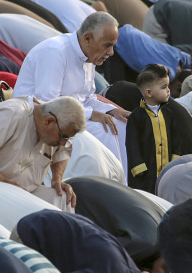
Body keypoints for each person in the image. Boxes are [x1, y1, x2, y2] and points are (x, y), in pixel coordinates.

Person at [13, 12, 131, 169]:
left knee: (121, 125)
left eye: (113, 46)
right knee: (103, 130)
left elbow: (86, 98)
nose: (111, 52)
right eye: (107, 45)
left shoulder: (89, 55)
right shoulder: (55, 52)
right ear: (88, 38)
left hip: (70, 117)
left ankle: (127, 184)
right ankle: (113, 183)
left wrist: (112, 110)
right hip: (38, 120)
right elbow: (47, 104)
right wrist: (91, 114)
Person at [126, 64, 192, 193]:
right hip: (146, 173)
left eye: (168, 86)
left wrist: (175, 162)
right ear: (148, 92)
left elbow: (176, 139)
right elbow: (132, 145)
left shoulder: (168, 113)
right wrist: (139, 168)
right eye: (164, 87)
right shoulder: (136, 117)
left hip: (167, 171)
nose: (168, 90)